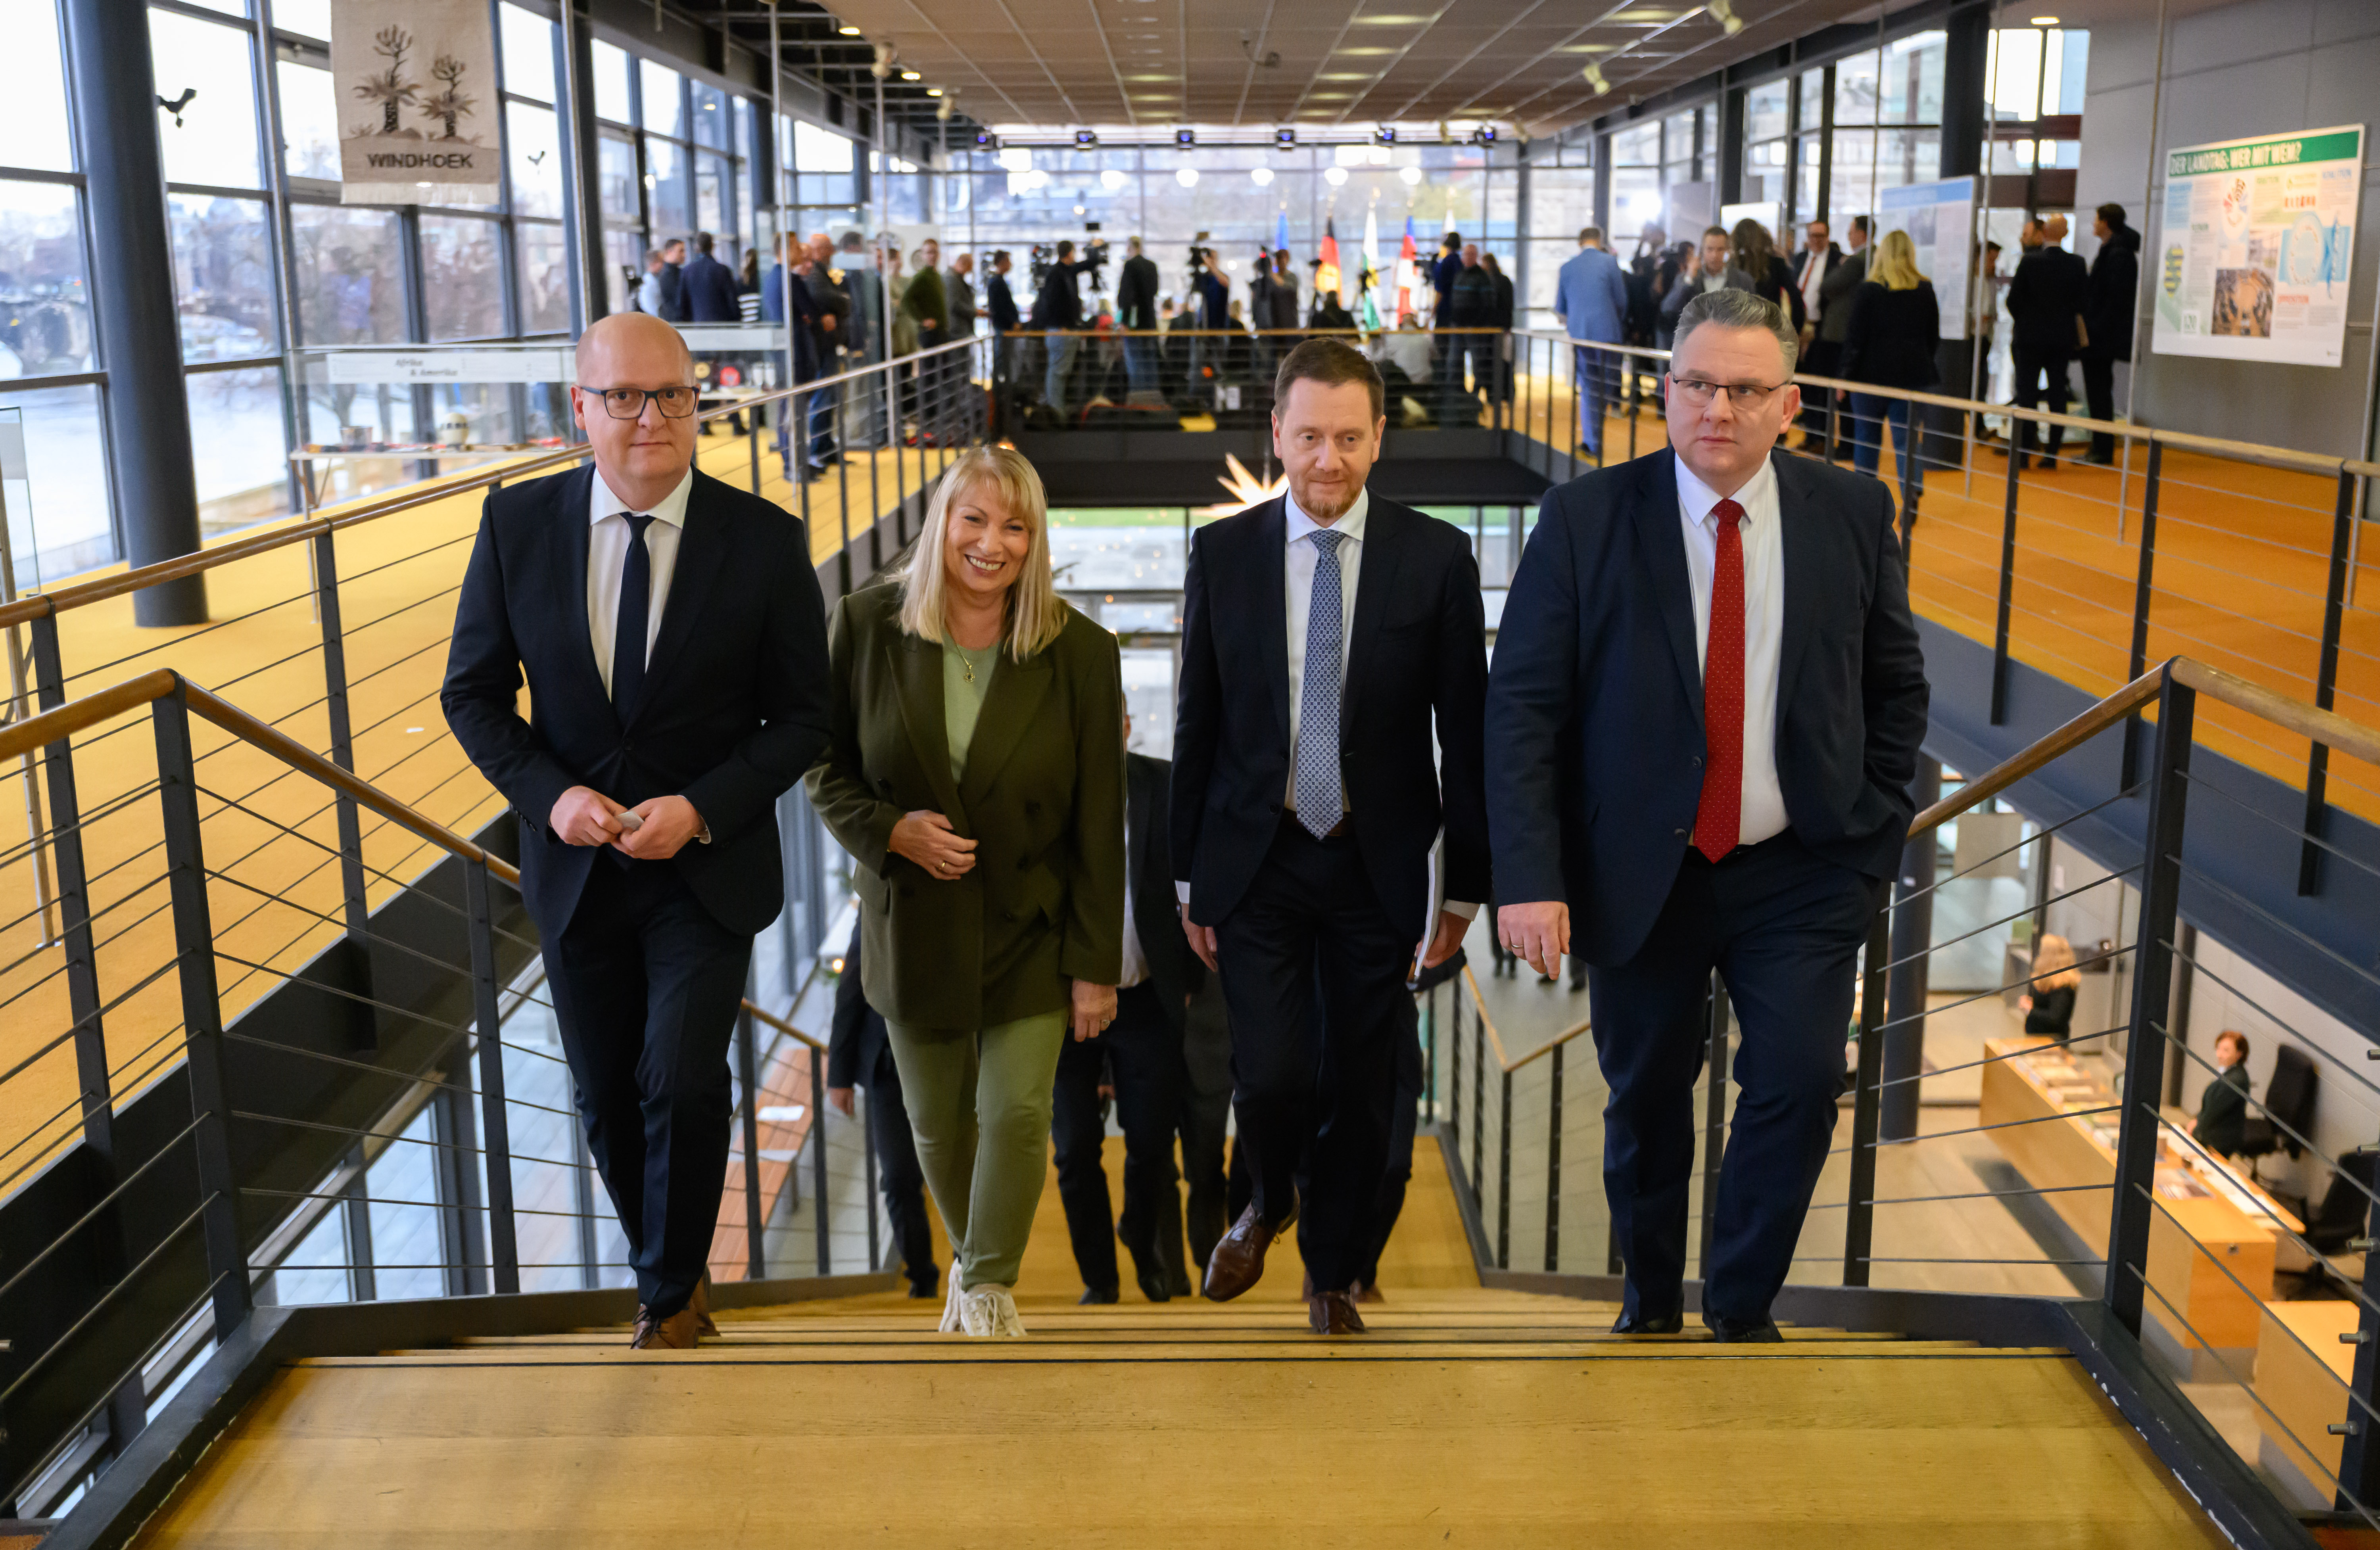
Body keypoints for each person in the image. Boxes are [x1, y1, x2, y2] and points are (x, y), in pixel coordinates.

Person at [1486, 288, 1929, 1343]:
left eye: (1743, 389)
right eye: (1695, 384)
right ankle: (1648, 1303)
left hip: (1805, 863)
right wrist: (1531, 876)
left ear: (1791, 404)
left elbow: (1896, 684)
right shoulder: (1588, 518)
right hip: (1644, 870)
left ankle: (1739, 1303)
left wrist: (1870, 832)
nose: (1715, 409)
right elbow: (1524, 708)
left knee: (1803, 1079)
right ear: (1667, 388)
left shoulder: (1854, 511)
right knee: (1646, 1100)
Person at [440, 312, 834, 1349]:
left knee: (680, 1075)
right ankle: (670, 1266)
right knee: (608, 1093)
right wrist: (550, 796)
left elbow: (804, 716)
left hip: (707, 868)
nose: (652, 416)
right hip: (577, 868)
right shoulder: (516, 526)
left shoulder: (762, 541)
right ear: (581, 408)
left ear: (697, 402)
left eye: (673, 394)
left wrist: (702, 807)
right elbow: (473, 694)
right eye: (625, 395)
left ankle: (667, 1297)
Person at [1173, 338, 1489, 1336]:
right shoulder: (1221, 554)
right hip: (1258, 858)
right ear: (1276, 434)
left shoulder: (1434, 556)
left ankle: (1332, 1274)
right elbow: (1197, 725)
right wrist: (1188, 877)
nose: (1327, 460)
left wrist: (1468, 889)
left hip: (1375, 860)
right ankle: (1267, 1200)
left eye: (1349, 438)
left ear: (1379, 439)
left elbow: (1467, 734)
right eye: (1308, 437)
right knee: (1269, 1075)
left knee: (1360, 1084)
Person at [805, 445, 1124, 1339]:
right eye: (975, 519)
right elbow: (821, 763)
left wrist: (1096, 967)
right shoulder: (866, 624)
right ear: (943, 521)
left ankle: (986, 1284)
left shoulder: (1081, 653)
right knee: (937, 1126)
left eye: (1015, 526)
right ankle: (973, 1260)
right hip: (916, 922)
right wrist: (889, 831)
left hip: (1036, 923)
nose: (993, 543)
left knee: (1018, 1110)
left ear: (1036, 541)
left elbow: (1101, 821)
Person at [1052, 698, 1202, 1305]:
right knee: (1073, 1151)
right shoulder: (1044, 796)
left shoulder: (1163, 785)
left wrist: (1188, 978)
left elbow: (1195, 881)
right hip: (1061, 1009)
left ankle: (1143, 1241)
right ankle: (1100, 1281)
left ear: (1124, 725)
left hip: (1146, 1000)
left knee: (1150, 1146)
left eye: (1106, 720)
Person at [827, 927, 938, 1299]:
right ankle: (922, 1276)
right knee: (898, 1178)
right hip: (886, 1068)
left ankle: (970, 1271)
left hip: (948, 1059)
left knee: (963, 1169)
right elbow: (852, 987)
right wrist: (839, 1076)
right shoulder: (877, 893)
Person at [1839, 228, 1940, 529]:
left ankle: (1865, 503)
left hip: (1869, 379)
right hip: (1912, 379)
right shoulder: (1925, 289)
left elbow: (1855, 338)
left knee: (1866, 440)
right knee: (1907, 442)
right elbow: (1933, 338)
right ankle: (1910, 493)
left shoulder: (1868, 290)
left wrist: (1845, 376)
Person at [2004, 217, 2088, 470]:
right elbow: (2083, 302)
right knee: (2057, 395)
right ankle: (2051, 453)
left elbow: (2013, 301)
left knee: (2026, 396)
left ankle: (2024, 453)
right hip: (2060, 340)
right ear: (2066, 233)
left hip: (2029, 339)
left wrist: (2028, 321)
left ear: (2044, 233)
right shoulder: (2076, 264)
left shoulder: (2030, 262)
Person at [1553, 226, 1630, 458]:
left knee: (1588, 387)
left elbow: (1561, 308)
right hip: (1608, 335)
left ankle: (1592, 440)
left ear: (1580, 242)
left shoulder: (1567, 268)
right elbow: (1621, 300)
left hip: (1581, 335)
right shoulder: (1610, 263)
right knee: (1607, 385)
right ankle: (1596, 437)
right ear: (1599, 240)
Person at [2081, 203, 2138, 466]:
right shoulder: (2113, 251)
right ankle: (2100, 446)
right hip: (2101, 334)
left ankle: (2102, 449)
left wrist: (2094, 329)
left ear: (2106, 222)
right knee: (2098, 392)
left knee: (2100, 392)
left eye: (2096, 219)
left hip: (2102, 337)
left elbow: (2115, 299)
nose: (2093, 224)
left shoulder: (2118, 254)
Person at [1810, 216, 1871, 457]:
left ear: (1862, 233)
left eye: (1851, 232)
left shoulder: (1857, 261)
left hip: (1841, 334)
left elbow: (1828, 286)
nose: (1848, 237)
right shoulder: (1861, 260)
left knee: (1840, 393)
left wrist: (1843, 267)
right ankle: (1843, 443)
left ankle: (1846, 445)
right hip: (1845, 333)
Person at [1789, 220, 1845, 443]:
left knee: (1819, 385)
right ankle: (1811, 435)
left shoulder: (1837, 261)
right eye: (1812, 235)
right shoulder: (1801, 258)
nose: (1816, 240)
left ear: (1828, 237)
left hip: (1823, 330)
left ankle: (1820, 438)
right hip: (1798, 328)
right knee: (1803, 384)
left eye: (1820, 236)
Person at [1036, 239, 1098, 416]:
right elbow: (1052, 302)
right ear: (1070, 253)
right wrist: (1060, 325)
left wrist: (1094, 249)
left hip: (1064, 330)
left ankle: (1057, 412)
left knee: (1059, 374)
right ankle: (1056, 414)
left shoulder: (1065, 271)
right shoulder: (1057, 273)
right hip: (1060, 331)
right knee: (1057, 374)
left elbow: (1089, 264)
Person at [1658, 227, 1754, 339]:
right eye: (1710, 249)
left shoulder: (1743, 280)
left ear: (1727, 250)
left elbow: (1751, 318)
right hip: (1695, 343)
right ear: (1702, 250)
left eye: (1720, 250)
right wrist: (1689, 278)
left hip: (1731, 343)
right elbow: (1668, 308)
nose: (1715, 255)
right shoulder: (1688, 278)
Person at [1731, 219, 1805, 336]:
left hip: (1737, 329)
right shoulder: (1775, 264)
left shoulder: (1734, 265)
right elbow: (1796, 296)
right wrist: (1797, 330)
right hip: (1769, 328)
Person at [2191, 1032, 2253, 1158]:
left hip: (2219, 1140)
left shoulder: (2235, 1081)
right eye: (2218, 1049)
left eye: (2226, 1051)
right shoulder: (2229, 1072)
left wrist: (2195, 1130)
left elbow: (2213, 1113)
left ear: (2239, 1054)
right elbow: (2210, 1106)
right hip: (2215, 1130)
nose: (2219, 1055)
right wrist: (2197, 1120)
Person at [1115, 236, 1162, 400]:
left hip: (1134, 324)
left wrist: (1125, 323)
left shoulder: (1130, 266)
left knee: (1135, 363)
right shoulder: (1152, 266)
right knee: (1150, 362)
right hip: (1150, 321)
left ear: (1129, 248)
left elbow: (1127, 296)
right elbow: (1155, 291)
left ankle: (1139, 402)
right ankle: (1154, 401)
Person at [2017, 931, 2079, 1040]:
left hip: (2051, 1042)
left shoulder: (2064, 986)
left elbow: (2055, 1019)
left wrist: (2030, 1010)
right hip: (2036, 1038)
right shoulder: (2047, 979)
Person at [682, 231, 739, 323]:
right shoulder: (722, 270)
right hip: (722, 326)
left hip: (697, 326)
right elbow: (732, 302)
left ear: (696, 247)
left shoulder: (687, 271)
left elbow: (682, 305)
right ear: (712, 246)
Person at [1480, 253, 1516, 403]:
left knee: (1492, 362)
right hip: (1500, 328)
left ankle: (1493, 395)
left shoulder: (1488, 282)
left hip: (1492, 329)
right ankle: (1507, 394)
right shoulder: (1504, 281)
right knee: (1504, 363)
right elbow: (1509, 306)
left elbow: (1506, 306)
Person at [985, 249, 1020, 388]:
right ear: (1003, 262)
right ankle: (999, 393)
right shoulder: (996, 283)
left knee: (1004, 362)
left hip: (1005, 328)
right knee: (1002, 361)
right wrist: (1013, 321)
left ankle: (1003, 392)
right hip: (1003, 329)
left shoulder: (999, 282)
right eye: (1009, 261)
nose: (1011, 264)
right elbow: (1000, 308)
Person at [656, 238, 689, 322]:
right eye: (681, 251)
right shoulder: (668, 275)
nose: (684, 255)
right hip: (677, 322)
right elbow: (677, 302)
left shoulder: (676, 272)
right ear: (670, 252)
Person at [635, 248, 667, 317]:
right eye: (662, 262)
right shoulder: (647, 285)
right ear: (653, 263)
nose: (664, 265)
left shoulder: (656, 279)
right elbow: (651, 310)